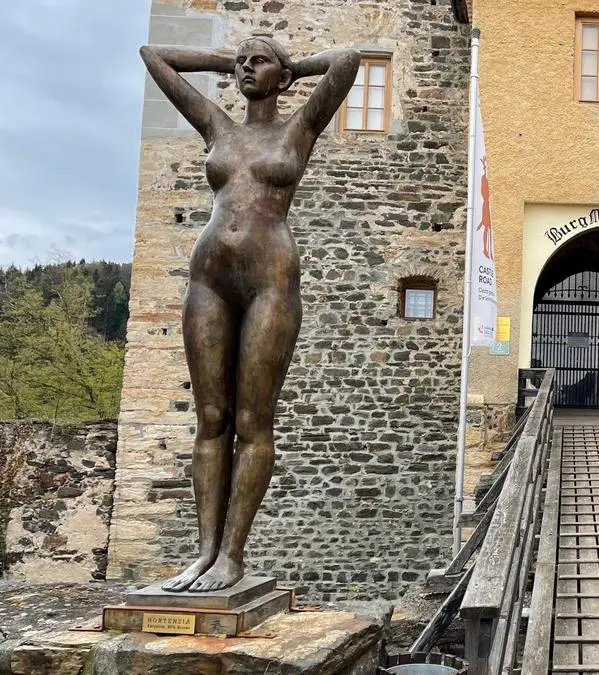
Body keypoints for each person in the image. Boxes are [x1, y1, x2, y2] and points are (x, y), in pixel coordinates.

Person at [139, 36, 361, 592]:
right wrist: (227, 61)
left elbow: (347, 62)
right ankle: (204, 552)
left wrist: (290, 66)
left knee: (253, 421)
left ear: (282, 77)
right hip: (208, 278)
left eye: (257, 62)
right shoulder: (218, 127)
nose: (245, 68)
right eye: (241, 62)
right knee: (211, 417)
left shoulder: (298, 129)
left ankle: (232, 556)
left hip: (271, 279)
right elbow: (154, 56)